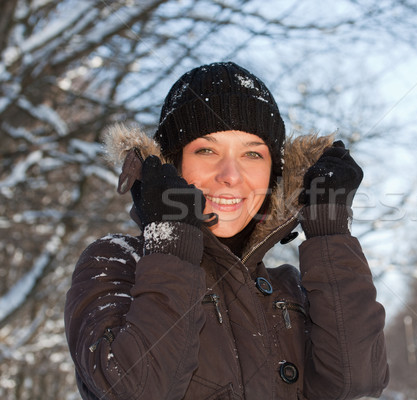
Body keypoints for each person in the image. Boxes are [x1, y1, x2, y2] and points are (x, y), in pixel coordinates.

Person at [64, 62, 389, 399]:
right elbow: (138, 388)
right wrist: (172, 238)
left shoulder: (292, 288)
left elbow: (357, 380)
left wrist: (329, 231)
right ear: (171, 164)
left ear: (274, 176)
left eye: (252, 154)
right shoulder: (117, 262)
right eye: (207, 150)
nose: (231, 175)